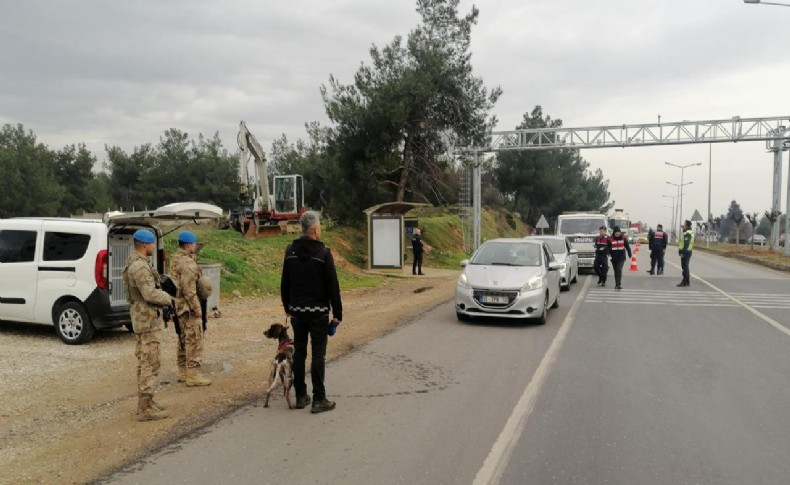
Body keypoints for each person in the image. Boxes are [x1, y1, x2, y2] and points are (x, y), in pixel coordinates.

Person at [281, 211, 343, 414]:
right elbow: (333, 286)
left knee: (299, 353)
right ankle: (319, 398)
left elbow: (285, 283)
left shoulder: (290, 251)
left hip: (297, 312)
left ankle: (300, 396)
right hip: (318, 313)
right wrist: (337, 313)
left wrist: (287, 307)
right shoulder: (324, 253)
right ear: (315, 229)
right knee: (318, 354)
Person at [123, 229, 173, 422]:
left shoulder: (137, 263)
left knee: (148, 359)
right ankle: (145, 408)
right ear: (144, 245)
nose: (154, 246)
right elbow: (150, 294)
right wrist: (169, 298)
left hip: (144, 317)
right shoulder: (140, 267)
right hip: (146, 318)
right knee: (149, 361)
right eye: (152, 243)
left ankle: (148, 401)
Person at [169, 230, 211, 387]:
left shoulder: (175, 259)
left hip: (177, 306)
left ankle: (182, 372)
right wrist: (196, 308)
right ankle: (193, 375)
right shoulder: (188, 264)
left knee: (182, 338)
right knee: (194, 339)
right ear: (188, 245)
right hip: (187, 307)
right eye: (194, 243)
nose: (195, 246)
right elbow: (188, 289)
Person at [607, 225, 632, 290]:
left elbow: (627, 247)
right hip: (614, 258)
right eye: (616, 233)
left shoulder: (623, 238)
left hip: (621, 258)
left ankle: (618, 284)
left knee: (618, 270)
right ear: (614, 233)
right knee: (616, 271)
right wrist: (608, 254)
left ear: (620, 233)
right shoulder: (610, 239)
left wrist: (629, 253)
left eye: (618, 233)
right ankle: (617, 283)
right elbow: (608, 248)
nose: (617, 234)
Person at [677, 220, 695, 287]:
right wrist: (683, 229)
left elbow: (686, 244)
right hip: (688, 251)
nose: (683, 225)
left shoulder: (688, 233)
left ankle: (685, 281)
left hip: (686, 252)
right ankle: (687, 281)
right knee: (685, 267)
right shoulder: (688, 232)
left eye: (684, 224)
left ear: (687, 225)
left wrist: (683, 253)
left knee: (685, 267)